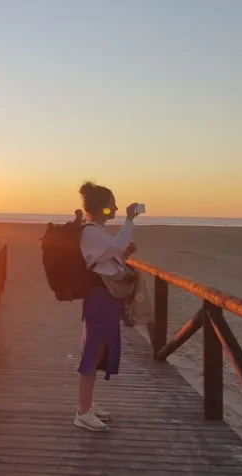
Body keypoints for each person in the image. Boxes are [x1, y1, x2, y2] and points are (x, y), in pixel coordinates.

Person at [73, 181, 140, 432]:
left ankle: (88, 404)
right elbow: (113, 248)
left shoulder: (97, 231)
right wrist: (130, 220)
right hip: (99, 297)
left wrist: (125, 255)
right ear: (102, 207)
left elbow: (109, 257)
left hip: (105, 296)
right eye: (112, 204)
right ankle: (83, 412)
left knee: (98, 350)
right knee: (93, 350)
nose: (116, 207)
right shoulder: (90, 231)